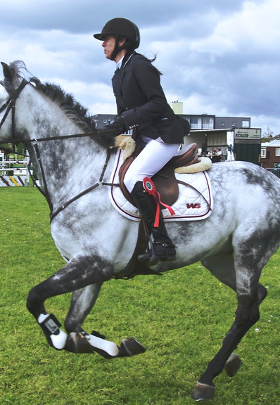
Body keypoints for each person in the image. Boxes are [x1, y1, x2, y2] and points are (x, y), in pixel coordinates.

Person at [95, 17, 189, 265]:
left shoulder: (139, 66)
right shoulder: (118, 75)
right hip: (144, 138)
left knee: (133, 177)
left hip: (164, 136)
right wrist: (107, 132)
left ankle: (162, 242)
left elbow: (158, 104)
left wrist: (124, 119)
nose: (103, 44)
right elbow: (122, 116)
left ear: (122, 41)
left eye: (107, 39)